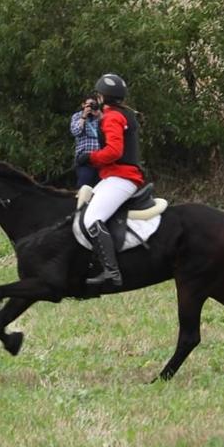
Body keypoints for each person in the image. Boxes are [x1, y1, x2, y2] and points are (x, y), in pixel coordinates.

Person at [75, 74, 145, 288]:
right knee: (85, 205)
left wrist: (90, 158)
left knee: (91, 219)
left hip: (121, 177)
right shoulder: (122, 113)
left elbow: (114, 151)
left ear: (102, 96)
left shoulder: (113, 117)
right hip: (115, 176)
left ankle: (111, 273)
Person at [70, 94, 102, 188]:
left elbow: (109, 133)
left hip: (100, 159)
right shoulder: (77, 116)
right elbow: (75, 132)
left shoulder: (100, 116)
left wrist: (99, 115)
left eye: (94, 105)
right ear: (83, 105)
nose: (91, 107)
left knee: (100, 188)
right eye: (89, 105)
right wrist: (84, 117)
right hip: (85, 160)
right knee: (84, 187)